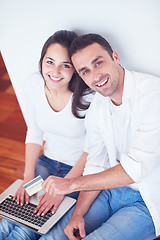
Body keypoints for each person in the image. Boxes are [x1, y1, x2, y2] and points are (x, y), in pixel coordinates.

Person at [39, 33, 160, 240]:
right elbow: (95, 164)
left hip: (148, 200)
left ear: (115, 57)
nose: (95, 76)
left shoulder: (153, 95)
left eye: (98, 63)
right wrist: (77, 214)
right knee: (54, 236)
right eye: (85, 71)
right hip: (109, 190)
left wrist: (70, 184)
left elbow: (135, 170)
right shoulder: (97, 105)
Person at [0, 30, 94, 240]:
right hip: (47, 165)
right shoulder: (32, 84)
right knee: (12, 216)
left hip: (76, 173)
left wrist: (63, 188)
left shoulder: (88, 97)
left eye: (65, 65)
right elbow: (34, 132)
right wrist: (27, 178)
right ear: (41, 61)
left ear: (76, 70)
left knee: (30, 224)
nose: (55, 71)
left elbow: (91, 151)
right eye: (49, 61)